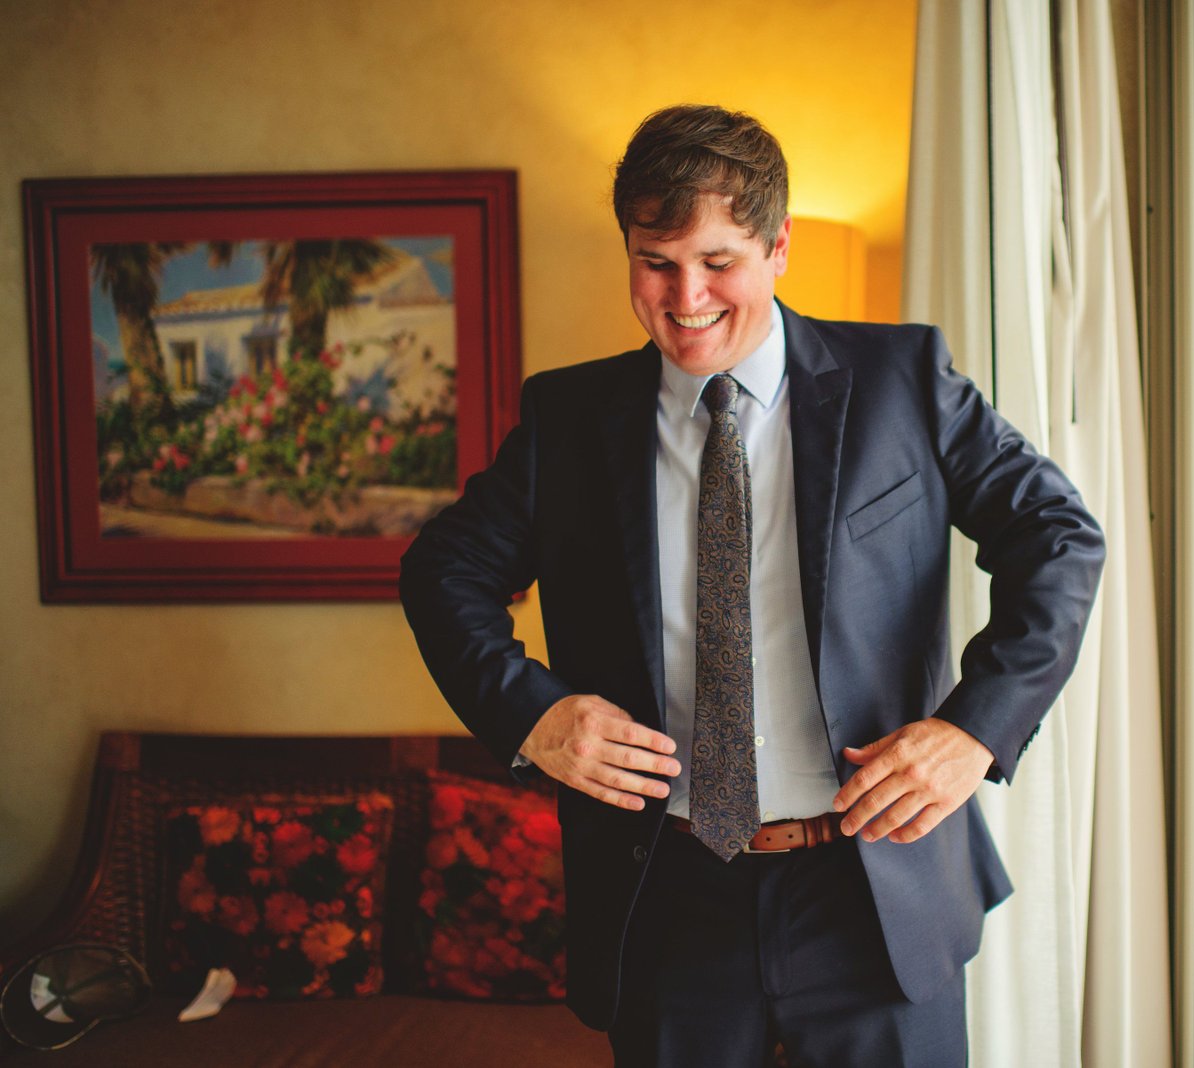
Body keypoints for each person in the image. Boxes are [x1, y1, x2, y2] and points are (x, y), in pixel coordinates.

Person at [400, 103, 1104, 1067]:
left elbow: (1058, 536)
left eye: (718, 260)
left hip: (876, 890)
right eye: (656, 261)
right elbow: (444, 573)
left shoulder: (903, 379)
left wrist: (974, 731)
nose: (685, 295)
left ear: (778, 249)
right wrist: (534, 715)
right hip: (667, 895)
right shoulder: (568, 420)